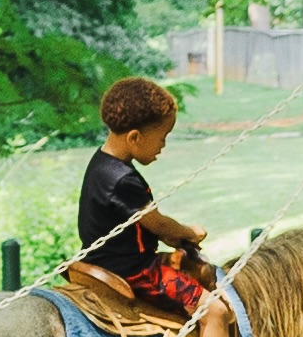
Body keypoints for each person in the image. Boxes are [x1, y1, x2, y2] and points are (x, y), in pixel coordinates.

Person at [78, 78, 212, 314]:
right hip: (135, 272)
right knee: (214, 311)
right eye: (162, 137)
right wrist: (190, 232)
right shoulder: (123, 180)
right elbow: (159, 224)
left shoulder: (101, 163)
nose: (163, 145)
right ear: (134, 138)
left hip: (105, 261)